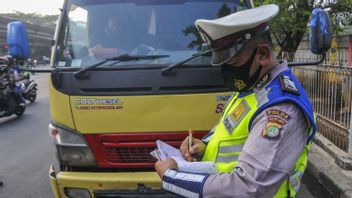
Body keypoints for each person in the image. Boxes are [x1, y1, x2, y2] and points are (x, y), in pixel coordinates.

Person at [154, 4, 316, 198]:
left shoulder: (282, 108)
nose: (226, 72)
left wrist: (172, 177)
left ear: (262, 54)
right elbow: (227, 132)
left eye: (233, 63)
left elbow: (248, 188)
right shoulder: (252, 87)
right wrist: (203, 146)